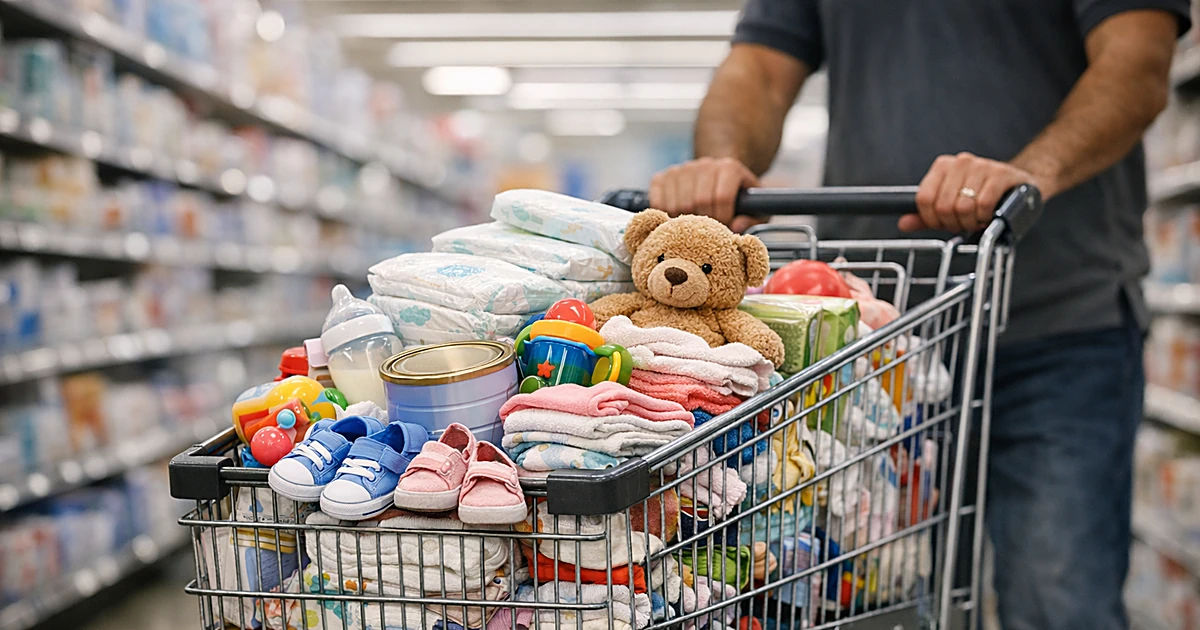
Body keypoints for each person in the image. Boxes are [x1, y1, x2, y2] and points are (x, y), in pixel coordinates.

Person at [649, 3, 1191, 629]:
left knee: (1058, 599)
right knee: (864, 599)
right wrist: (722, 164)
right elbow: (761, 68)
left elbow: (1139, 59)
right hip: (873, 346)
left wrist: (1027, 175)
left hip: (1061, 325)